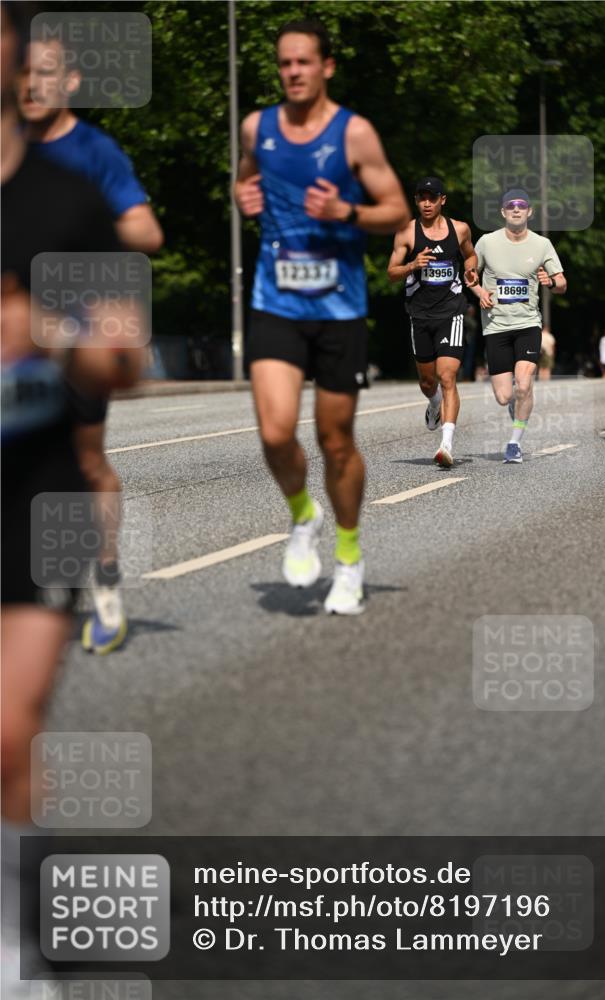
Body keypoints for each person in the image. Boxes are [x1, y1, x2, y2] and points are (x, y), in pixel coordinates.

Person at [1, 2, 144, 990]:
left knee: (9, 729)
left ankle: (19, 955)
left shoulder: (69, 199)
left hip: (34, 489)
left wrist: (48, 328)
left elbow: (124, 359)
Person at [234, 19, 409, 615]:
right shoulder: (257, 127)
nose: (293, 72)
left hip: (339, 307)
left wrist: (346, 212)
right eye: (285, 63)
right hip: (276, 301)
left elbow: (396, 211)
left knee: (336, 443)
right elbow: (244, 181)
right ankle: (302, 516)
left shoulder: (354, 133)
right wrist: (242, 197)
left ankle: (349, 558)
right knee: (275, 432)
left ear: (326, 66)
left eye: (304, 62)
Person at [18, 31, 164, 651]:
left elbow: (146, 231)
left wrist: (78, 229)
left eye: (47, 72)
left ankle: (103, 580)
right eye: (24, 71)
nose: (33, 84)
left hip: (75, 333)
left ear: (71, 82)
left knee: (83, 461)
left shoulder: (93, 150)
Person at [469, 189, 566, 462]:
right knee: (504, 396)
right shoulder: (487, 242)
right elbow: (469, 275)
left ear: (529, 211)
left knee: (524, 384)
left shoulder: (542, 244)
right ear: (503, 211)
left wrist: (551, 282)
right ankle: (514, 403)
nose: (515, 209)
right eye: (510, 205)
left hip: (528, 324)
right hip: (496, 326)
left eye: (521, 205)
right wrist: (480, 293)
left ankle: (514, 442)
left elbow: (562, 283)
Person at [387, 176, 478, 467]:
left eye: (432, 198)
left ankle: (446, 444)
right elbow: (391, 272)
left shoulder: (459, 229)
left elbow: (470, 255)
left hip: (452, 311)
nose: (427, 203)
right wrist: (412, 265)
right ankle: (434, 402)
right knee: (428, 382)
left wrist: (471, 270)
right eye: (422, 198)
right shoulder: (406, 232)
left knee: (447, 376)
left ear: (442, 200)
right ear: (416, 201)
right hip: (420, 315)